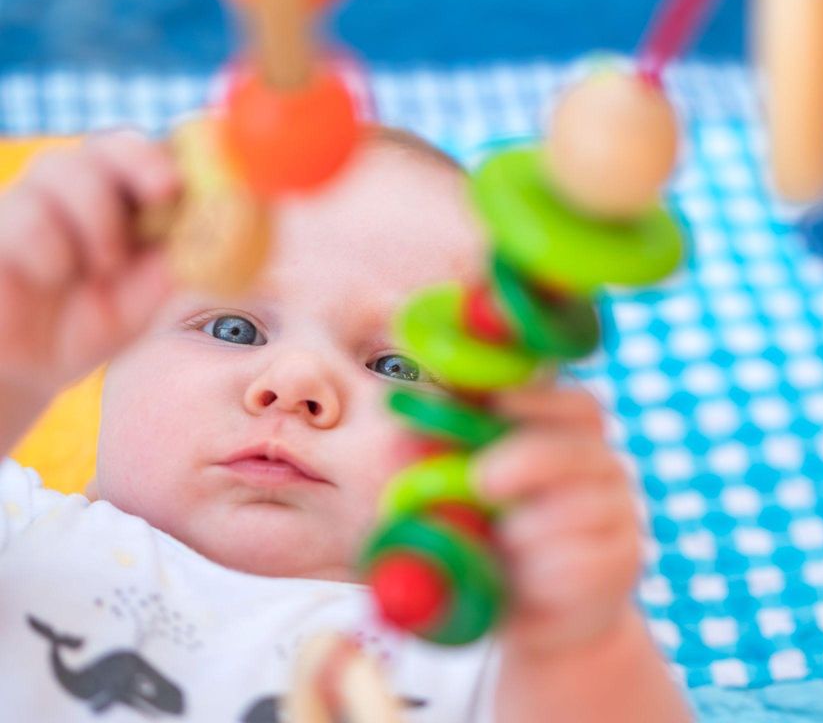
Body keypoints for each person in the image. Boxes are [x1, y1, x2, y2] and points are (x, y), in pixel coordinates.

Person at [0, 126, 691, 721]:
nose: (296, 384)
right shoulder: (27, 539)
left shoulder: (484, 657)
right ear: (106, 358)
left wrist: (584, 641)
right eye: (234, 327)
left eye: (395, 367)